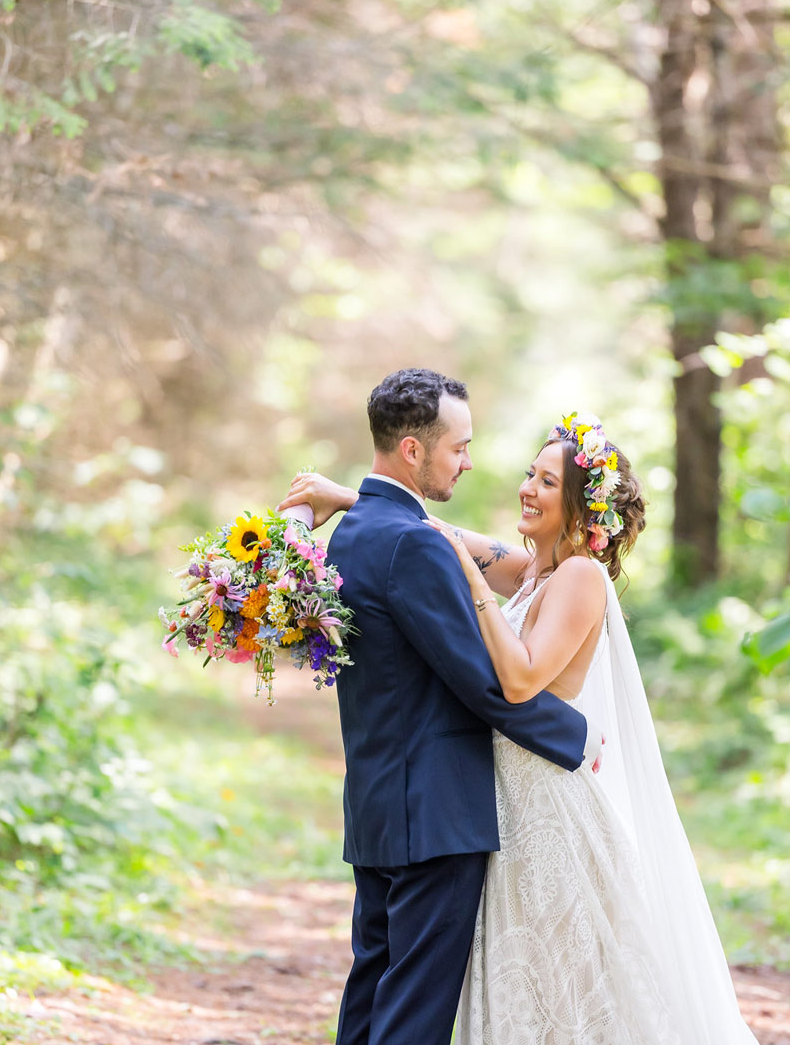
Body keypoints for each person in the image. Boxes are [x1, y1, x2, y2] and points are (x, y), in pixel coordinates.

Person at [283, 409, 759, 1045]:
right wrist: (349, 498)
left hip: (547, 805)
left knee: (567, 984)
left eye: (545, 483)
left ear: (582, 512)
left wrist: (476, 592)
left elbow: (519, 678)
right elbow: (441, 532)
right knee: (519, 983)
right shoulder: (534, 570)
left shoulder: (581, 577)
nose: (526, 489)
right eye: (528, 474)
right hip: (503, 797)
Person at [285, 368, 599, 1045]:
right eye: (459, 447)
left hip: (376, 802)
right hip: (435, 817)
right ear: (412, 451)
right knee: (413, 1015)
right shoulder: (415, 544)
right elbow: (484, 683)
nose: (469, 460)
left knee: (372, 991)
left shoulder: (352, 532)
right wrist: (578, 738)